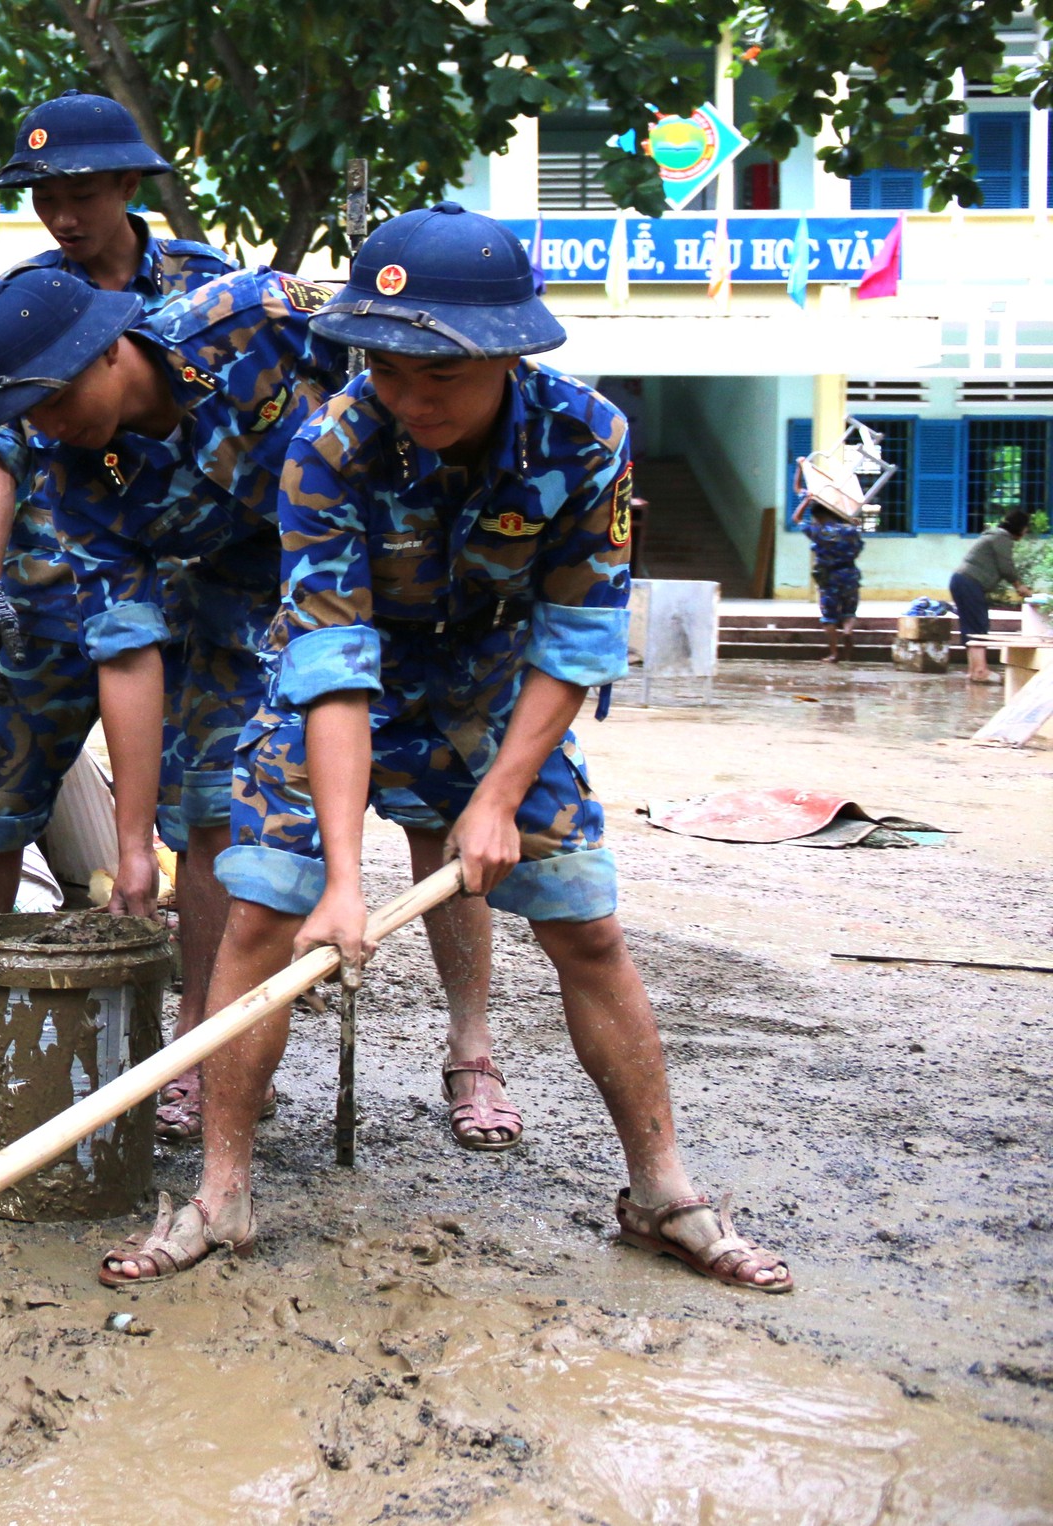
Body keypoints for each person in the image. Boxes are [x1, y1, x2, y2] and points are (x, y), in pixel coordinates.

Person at [111, 204, 790, 1294]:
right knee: (258, 917)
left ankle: (662, 1191)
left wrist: (498, 797)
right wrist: (342, 876)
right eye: (386, 367)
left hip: (492, 692)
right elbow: (331, 661)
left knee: (590, 928)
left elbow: (575, 638)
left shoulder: (586, 438)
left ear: (508, 353)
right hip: (341, 694)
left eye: (439, 375)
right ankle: (220, 1193)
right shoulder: (327, 446)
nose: (409, 397)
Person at [0, 264, 507, 1168]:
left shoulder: (248, 318)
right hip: (236, 606)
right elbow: (128, 648)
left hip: (396, 573)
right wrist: (136, 843)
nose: (41, 430)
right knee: (212, 814)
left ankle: (472, 1050)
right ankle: (207, 1041)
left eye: (48, 402)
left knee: (435, 811)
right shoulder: (71, 476)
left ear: (103, 354)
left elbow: (399, 360)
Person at [0, 88, 238, 1089]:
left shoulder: (202, 285)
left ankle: (193, 1026)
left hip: (199, 598)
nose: (62, 213)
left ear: (130, 183)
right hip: (56, 590)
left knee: (205, 814)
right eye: (43, 193)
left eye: (82, 191)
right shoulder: (24, 296)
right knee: (2, 800)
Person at [950, 509, 1035, 684]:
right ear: (1019, 527)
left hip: (961, 581)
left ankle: (975, 670)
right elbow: (1006, 566)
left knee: (971, 625)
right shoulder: (1002, 538)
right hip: (969, 583)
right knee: (978, 625)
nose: (1026, 533)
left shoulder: (994, 535)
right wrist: (1019, 586)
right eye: (1026, 528)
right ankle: (980, 671)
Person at [792, 497, 865, 663]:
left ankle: (834, 653)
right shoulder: (850, 531)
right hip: (850, 573)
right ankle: (847, 630)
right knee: (849, 611)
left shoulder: (818, 531)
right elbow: (859, 547)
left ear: (817, 516)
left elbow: (796, 519)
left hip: (829, 577)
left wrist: (807, 500)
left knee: (829, 616)